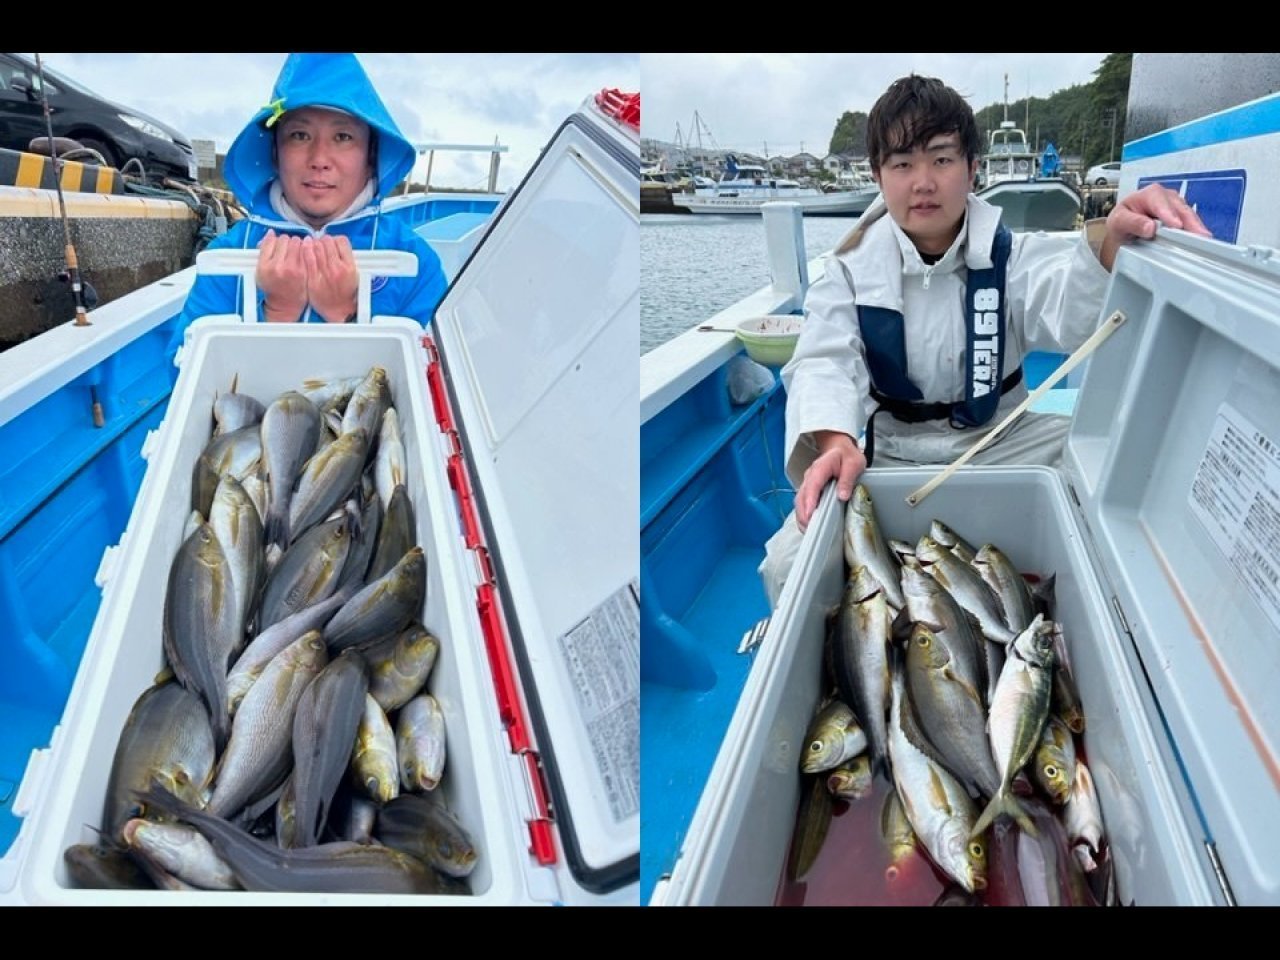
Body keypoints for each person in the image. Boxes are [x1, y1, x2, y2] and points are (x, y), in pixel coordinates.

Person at [758, 74, 1210, 606]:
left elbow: (1072, 303)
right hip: (893, 454)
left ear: (972, 168)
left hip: (1005, 438)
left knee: (1121, 467)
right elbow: (824, 360)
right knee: (786, 564)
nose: (923, 182)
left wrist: (1113, 239)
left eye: (941, 159)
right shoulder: (848, 270)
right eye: (902, 164)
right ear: (878, 174)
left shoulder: (1012, 256)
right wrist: (837, 443)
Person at [168, 52, 448, 350]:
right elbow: (182, 370)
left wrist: (345, 315)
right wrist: (277, 313)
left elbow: (431, 374)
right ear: (275, 153)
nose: (319, 159)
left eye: (343, 137)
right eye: (300, 135)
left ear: (371, 157)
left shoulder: (415, 261)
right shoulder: (227, 254)